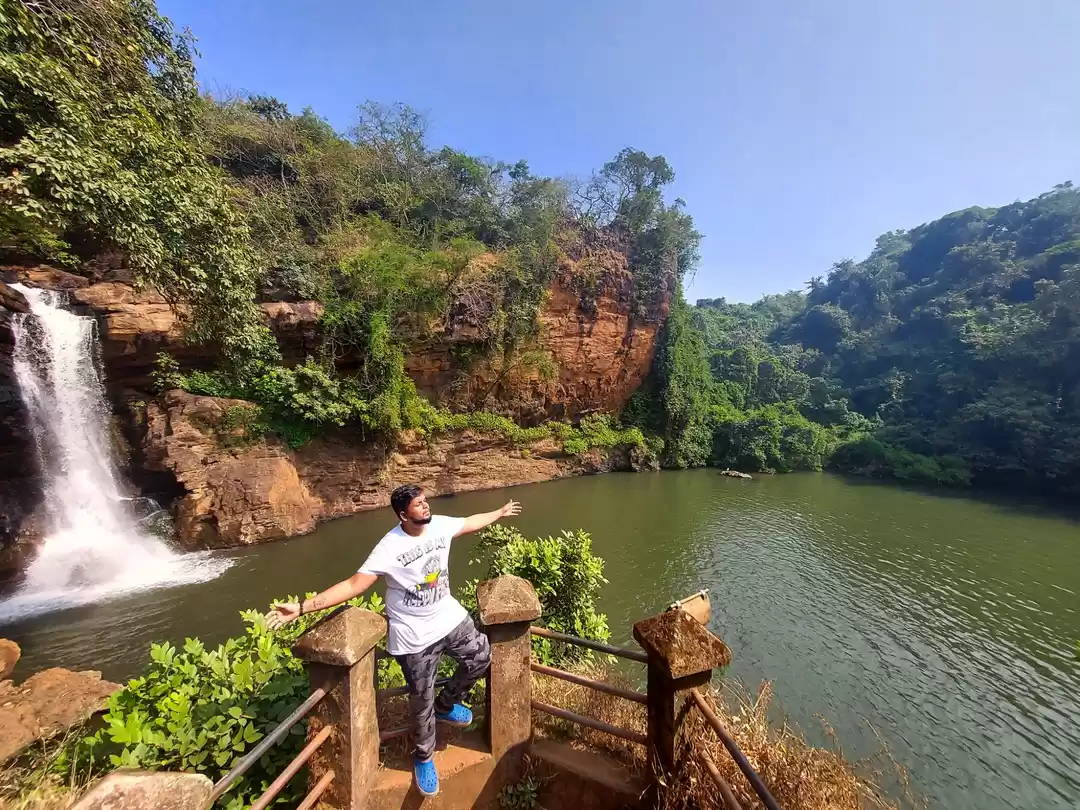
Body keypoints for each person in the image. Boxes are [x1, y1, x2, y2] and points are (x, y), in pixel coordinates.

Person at [266, 484, 521, 798]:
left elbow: (469, 522)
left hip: (448, 618)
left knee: (481, 657)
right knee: (421, 700)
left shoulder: (440, 525)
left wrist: (499, 512)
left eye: (425, 501)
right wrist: (302, 607)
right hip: (414, 635)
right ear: (403, 515)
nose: (425, 506)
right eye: (418, 504)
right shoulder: (389, 547)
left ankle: (447, 704)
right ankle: (424, 756)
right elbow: (354, 584)